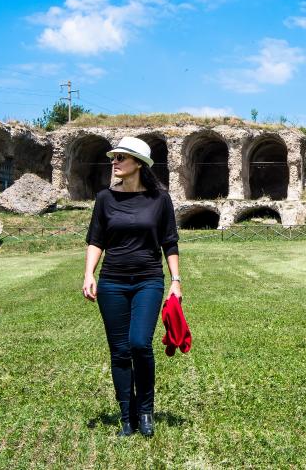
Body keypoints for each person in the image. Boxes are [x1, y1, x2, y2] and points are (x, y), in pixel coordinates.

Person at [81, 136, 181, 438]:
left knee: (139, 343)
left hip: (149, 279)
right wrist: (89, 273)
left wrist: (175, 280)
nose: (115, 162)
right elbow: (96, 239)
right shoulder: (105, 199)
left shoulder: (160, 199)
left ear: (138, 163)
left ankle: (146, 411)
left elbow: (169, 241)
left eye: (121, 157)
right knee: (120, 351)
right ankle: (127, 415)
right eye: (114, 157)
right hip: (112, 281)